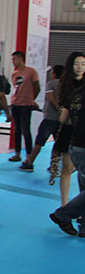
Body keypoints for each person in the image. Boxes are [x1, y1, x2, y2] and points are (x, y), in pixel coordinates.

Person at [48, 63, 85, 238]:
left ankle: (83, 227)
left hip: (75, 143)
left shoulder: (75, 93)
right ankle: (63, 214)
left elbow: (64, 118)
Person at [54, 52, 85, 208]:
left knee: (82, 173)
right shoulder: (66, 85)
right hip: (70, 130)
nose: (80, 67)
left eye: (83, 64)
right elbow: (63, 114)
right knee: (67, 168)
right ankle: (64, 204)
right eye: (76, 64)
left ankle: (79, 207)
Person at [22, 65, 63, 171]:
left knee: (39, 142)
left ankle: (29, 163)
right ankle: (54, 166)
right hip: (61, 119)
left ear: (54, 73)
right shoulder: (66, 85)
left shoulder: (51, 84)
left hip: (49, 119)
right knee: (58, 144)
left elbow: (51, 98)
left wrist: (57, 107)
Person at [8, 50, 40, 163]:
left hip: (26, 105)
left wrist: (31, 99)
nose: (13, 61)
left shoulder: (31, 72)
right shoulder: (14, 74)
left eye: (14, 59)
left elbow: (37, 87)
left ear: (20, 58)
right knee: (17, 130)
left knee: (25, 130)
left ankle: (28, 155)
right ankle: (17, 153)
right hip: (15, 103)